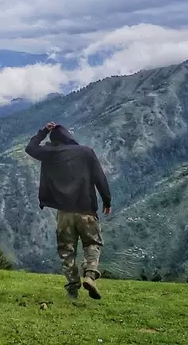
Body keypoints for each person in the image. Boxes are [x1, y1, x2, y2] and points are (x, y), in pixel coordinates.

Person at [25, 121, 112, 301]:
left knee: (66, 250)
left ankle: (73, 288)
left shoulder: (51, 153)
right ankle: (90, 275)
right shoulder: (86, 152)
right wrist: (107, 200)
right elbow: (99, 177)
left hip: (64, 213)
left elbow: (30, 148)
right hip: (86, 210)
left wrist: (43, 132)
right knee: (92, 243)